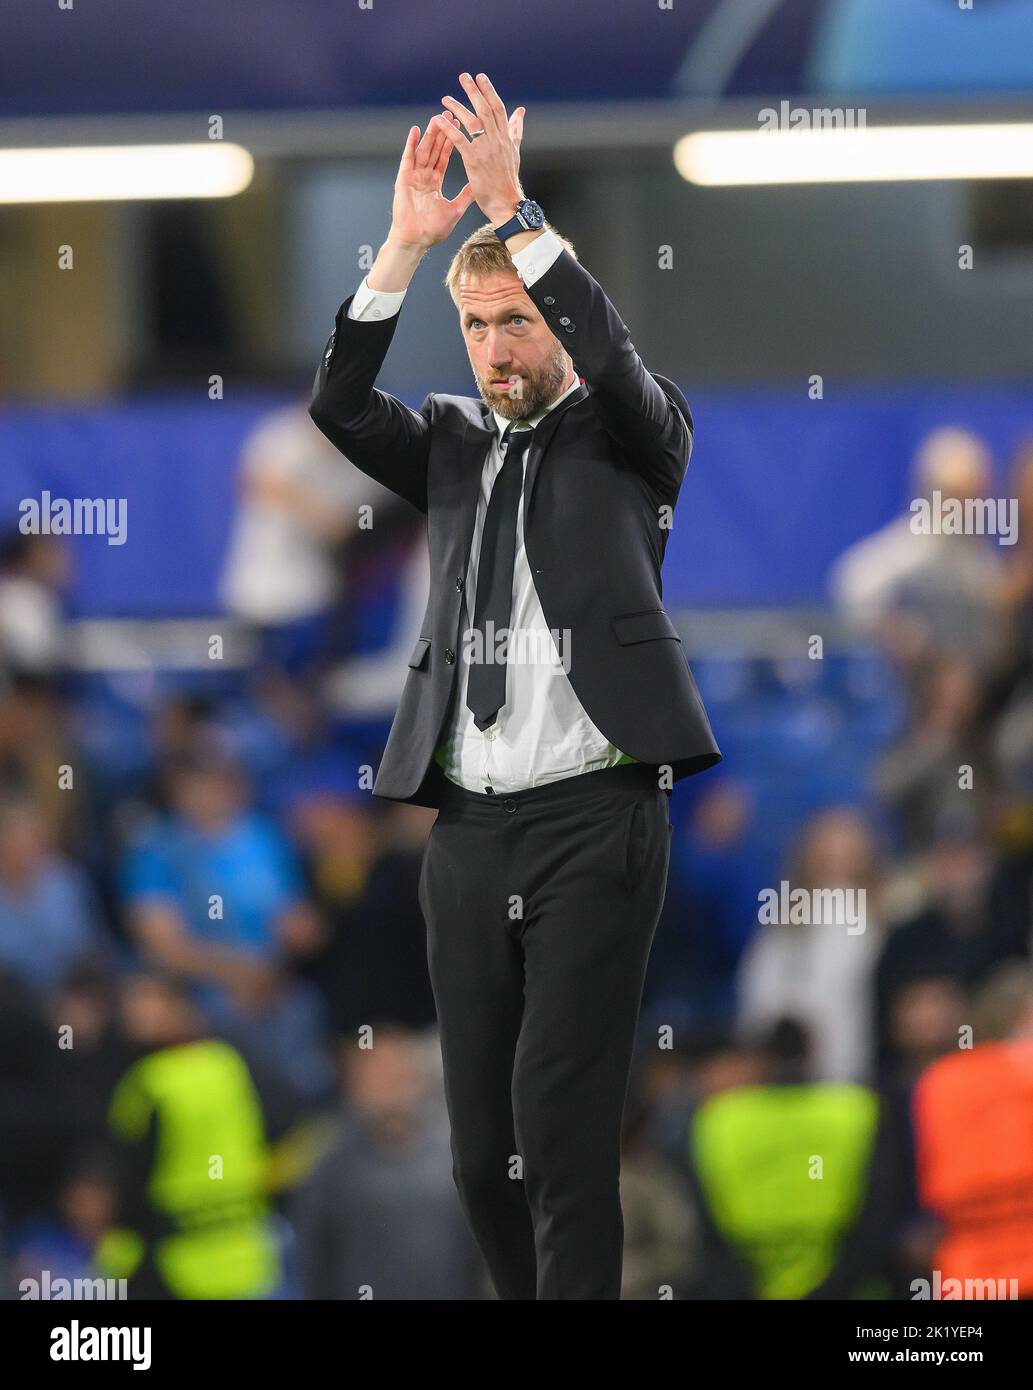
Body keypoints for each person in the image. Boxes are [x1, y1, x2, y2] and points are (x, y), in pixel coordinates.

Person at [307, 72, 720, 1300]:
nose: (495, 347)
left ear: (553, 321)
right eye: (477, 325)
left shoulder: (633, 434)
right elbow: (336, 401)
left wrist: (518, 212)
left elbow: (619, 358)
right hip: (471, 828)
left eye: (516, 322)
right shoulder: (440, 443)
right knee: (478, 1157)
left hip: (597, 818)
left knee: (560, 1140)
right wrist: (405, 243)